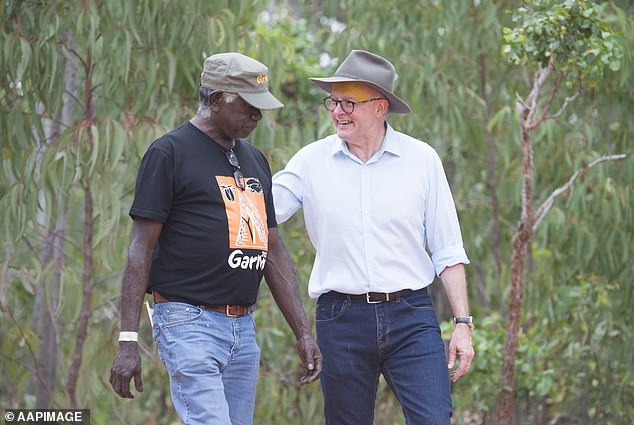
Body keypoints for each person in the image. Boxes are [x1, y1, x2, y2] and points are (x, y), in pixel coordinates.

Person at [109, 52, 321, 425]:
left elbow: (271, 248)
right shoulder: (169, 153)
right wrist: (128, 338)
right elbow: (140, 250)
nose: (257, 116)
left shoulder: (255, 160)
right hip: (188, 321)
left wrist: (303, 331)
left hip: (242, 327)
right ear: (217, 97)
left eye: (261, 108)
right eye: (249, 106)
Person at [272, 50, 474, 425]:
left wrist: (463, 323)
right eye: (333, 101)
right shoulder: (310, 161)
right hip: (341, 318)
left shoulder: (422, 160)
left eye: (349, 102)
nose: (337, 111)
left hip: (411, 315)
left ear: (381, 107)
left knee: (434, 418)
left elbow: (448, 250)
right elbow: (258, 212)